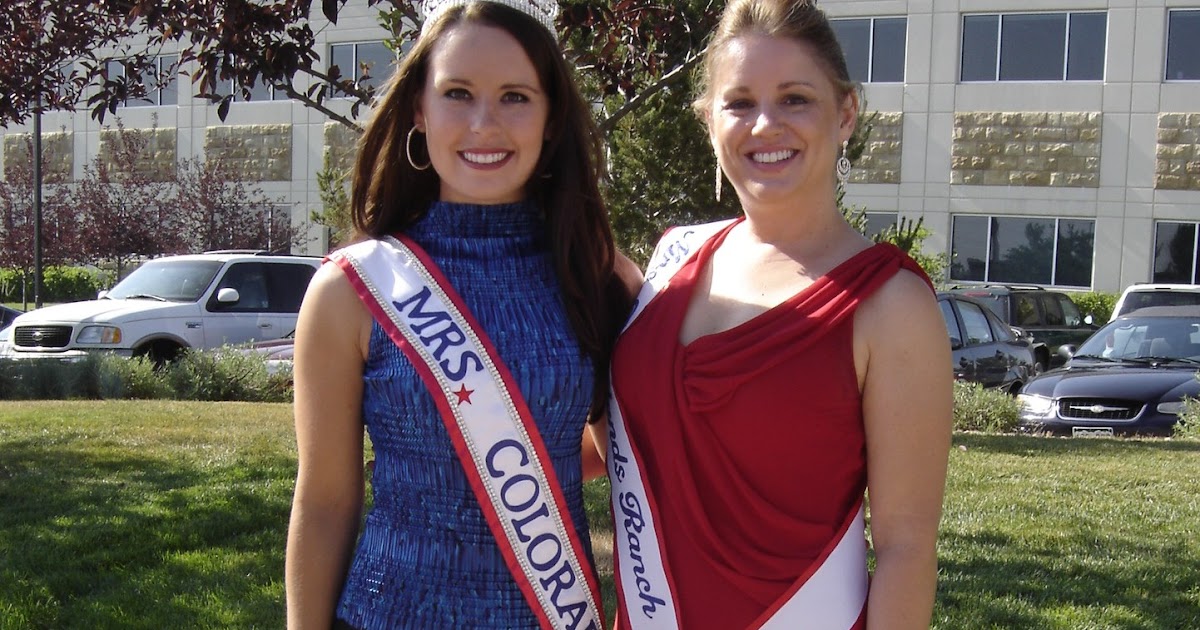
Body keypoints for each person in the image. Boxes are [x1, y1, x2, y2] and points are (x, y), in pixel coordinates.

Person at [285, 1, 636, 628]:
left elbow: (632, 478)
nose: (484, 123)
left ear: (553, 116)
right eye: (458, 93)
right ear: (419, 108)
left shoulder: (599, 279)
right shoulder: (350, 290)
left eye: (515, 97)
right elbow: (325, 502)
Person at [606, 1, 953, 628]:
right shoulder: (670, 261)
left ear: (845, 113)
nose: (766, 124)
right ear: (708, 120)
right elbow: (620, 448)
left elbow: (905, 547)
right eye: (740, 103)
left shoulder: (890, 303)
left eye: (795, 99)